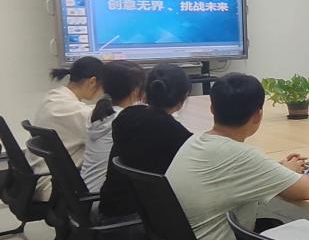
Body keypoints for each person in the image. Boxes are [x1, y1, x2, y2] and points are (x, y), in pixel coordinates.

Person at [166, 73, 309, 240]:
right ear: (258, 115)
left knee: (272, 225)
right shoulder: (241, 155)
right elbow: (306, 190)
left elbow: (234, 171)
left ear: (212, 109)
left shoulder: (194, 142)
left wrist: (277, 170)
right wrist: (287, 171)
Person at [99, 63, 194, 221]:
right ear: (183, 98)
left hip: (111, 210)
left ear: (145, 92)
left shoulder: (126, 116)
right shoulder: (177, 135)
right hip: (140, 221)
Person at [29, 55, 105, 199]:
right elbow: (103, 128)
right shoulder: (76, 112)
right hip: (56, 187)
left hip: (43, 177)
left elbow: (87, 113)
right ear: (92, 82)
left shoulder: (54, 97)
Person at [80, 61, 145, 194]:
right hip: (104, 198)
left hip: (87, 192)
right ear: (136, 90)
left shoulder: (97, 114)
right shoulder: (126, 120)